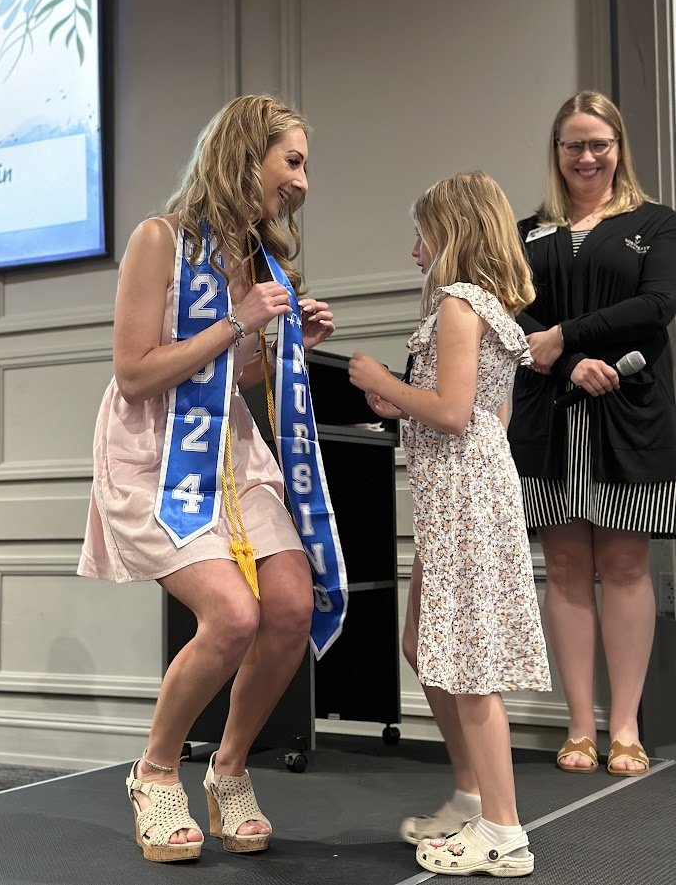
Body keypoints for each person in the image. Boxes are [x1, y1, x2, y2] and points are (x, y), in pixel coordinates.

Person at [78, 95, 338, 862]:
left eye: (303, 167)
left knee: (290, 604)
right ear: (242, 155)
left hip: (230, 449)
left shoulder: (256, 261)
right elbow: (134, 373)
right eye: (291, 161)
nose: (302, 182)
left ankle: (228, 768)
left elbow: (234, 376)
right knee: (231, 615)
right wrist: (239, 322)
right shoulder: (159, 239)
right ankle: (156, 769)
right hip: (156, 454)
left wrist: (283, 343)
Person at [348, 171, 551, 878]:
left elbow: (454, 411)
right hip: (461, 497)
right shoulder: (482, 308)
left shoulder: (462, 305)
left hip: (463, 499)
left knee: (466, 661)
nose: (413, 249)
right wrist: (411, 405)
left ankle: (502, 828)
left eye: (421, 235)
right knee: (424, 643)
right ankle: (471, 795)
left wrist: (380, 380)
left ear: (452, 236)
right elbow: (487, 414)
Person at [508, 90, 676, 777]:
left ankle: (626, 724)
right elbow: (508, 312)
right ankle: (580, 725)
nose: (586, 156)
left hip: (628, 408)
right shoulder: (525, 230)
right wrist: (571, 362)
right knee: (568, 568)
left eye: (598, 143)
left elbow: (657, 303)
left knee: (625, 565)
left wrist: (569, 338)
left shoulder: (654, 222)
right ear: (556, 153)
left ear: (617, 149)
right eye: (573, 144)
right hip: (549, 411)